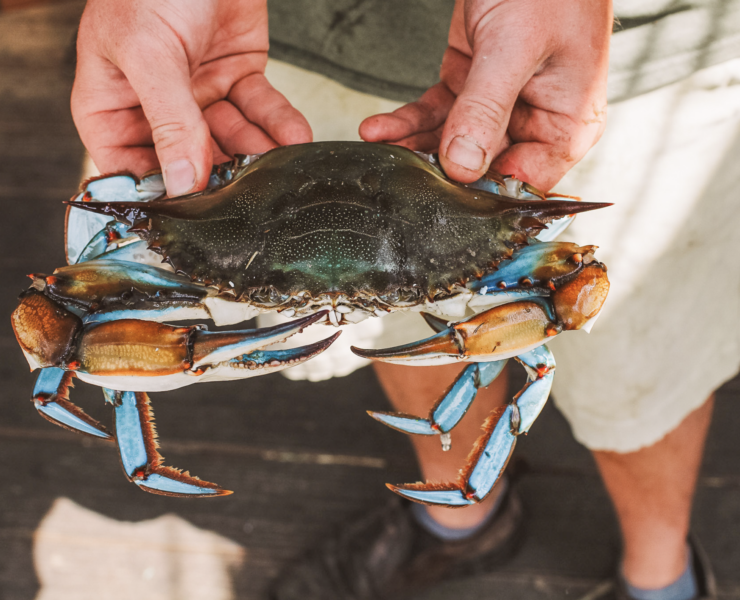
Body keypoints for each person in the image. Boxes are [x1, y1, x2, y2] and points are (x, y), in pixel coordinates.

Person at [71, 0, 740, 598]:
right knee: (391, 327)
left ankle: (663, 579)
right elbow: (52, 319)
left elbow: (580, 290)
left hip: (613, 61)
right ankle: (460, 519)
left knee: (639, 371)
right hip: (260, 52)